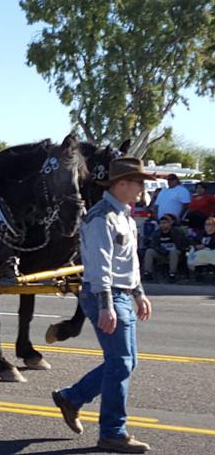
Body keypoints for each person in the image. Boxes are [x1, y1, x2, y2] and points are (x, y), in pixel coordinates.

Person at [51, 157, 153, 453]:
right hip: (103, 295)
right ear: (122, 183)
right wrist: (107, 305)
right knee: (121, 363)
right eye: (139, 182)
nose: (141, 188)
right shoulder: (100, 217)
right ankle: (112, 432)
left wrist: (139, 293)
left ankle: (71, 398)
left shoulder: (125, 216)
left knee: (125, 362)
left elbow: (128, 262)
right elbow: (99, 266)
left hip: (121, 294)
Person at [142, 213, 190, 282]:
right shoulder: (157, 233)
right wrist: (162, 251)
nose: (163, 225)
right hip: (161, 252)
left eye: (165, 223)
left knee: (173, 252)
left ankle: (172, 274)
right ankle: (147, 273)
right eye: (161, 223)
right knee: (149, 251)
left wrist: (180, 250)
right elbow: (154, 245)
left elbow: (182, 244)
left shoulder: (177, 231)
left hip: (175, 254)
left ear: (170, 223)